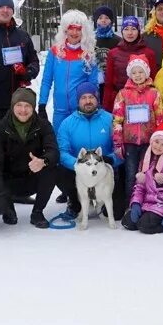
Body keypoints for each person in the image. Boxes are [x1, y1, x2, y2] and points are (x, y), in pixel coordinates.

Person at [0, 87, 60, 228]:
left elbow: (54, 151)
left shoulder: (43, 125)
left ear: (33, 108)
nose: (23, 110)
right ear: (12, 106)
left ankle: (37, 212)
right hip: (9, 182)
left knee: (52, 169)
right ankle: (8, 208)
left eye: (27, 106)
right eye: (19, 105)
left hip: (32, 177)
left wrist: (43, 161)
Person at [57, 82, 122, 225]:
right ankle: (75, 203)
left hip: (105, 172)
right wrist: (79, 165)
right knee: (58, 169)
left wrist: (110, 159)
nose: (88, 101)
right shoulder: (67, 123)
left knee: (117, 213)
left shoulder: (110, 119)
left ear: (97, 99)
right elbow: (62, 152)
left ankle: (103, 204)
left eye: (91, 97)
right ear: (78, 100)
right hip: (79, 173)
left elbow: (121, 148)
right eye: (83, 98)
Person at [113, 54, 163, 194]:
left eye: (141, 71)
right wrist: (118, 143)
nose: (138, 75)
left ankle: (148, 203)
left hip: (149, 143)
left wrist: (160, 139)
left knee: (147, 172)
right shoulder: (123, 94)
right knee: (131, 174)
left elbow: (160, 117)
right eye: (134, 72)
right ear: (130, 74)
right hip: (129, 142)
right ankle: (129, 206)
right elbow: (117, 119)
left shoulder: (154, 93)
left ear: (147, 72)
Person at [38, 10, 97, 132]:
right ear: (65, 30)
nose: (74, 32)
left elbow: (93, 84)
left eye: (78, 29)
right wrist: (42, 104)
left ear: (84, 32)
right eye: (71, 28)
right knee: (59, 145)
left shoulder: (88, 54)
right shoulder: (55, 52)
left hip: (81, 110)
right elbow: (47, 80)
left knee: (80, 147)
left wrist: (94, 105)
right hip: (60, 111)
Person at [125, 124, 163, 234]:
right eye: (156, 142)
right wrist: (136, 203)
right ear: (152, 142)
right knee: (127, 222)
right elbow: (140, 186)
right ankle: (146, 216)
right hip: (147, 204)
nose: (158, 146)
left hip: (162, 205)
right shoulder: (146, 160)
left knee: (144, 226)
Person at [92, 5, 120, 102]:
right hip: (94, 82)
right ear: (96, 20)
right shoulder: (90, 40)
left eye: (107, 18)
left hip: (113, 83)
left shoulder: (118, 40)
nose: (103, 20)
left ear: (111, 21)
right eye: (100, 18)